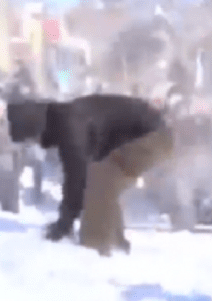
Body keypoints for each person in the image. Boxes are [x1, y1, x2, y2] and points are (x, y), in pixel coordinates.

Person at [6, 94, 174, 255]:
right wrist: (66, 220)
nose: (35, 143)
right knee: (104, 177)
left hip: (155, 137)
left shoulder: (70, 126)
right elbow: (75, 176)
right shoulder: (66, 118)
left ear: (37, 127)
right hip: (154, 133)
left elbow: (76, 180)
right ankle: (113, 243)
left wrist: (64, 224)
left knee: (100, 178)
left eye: (31, 138)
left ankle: (94, 247)